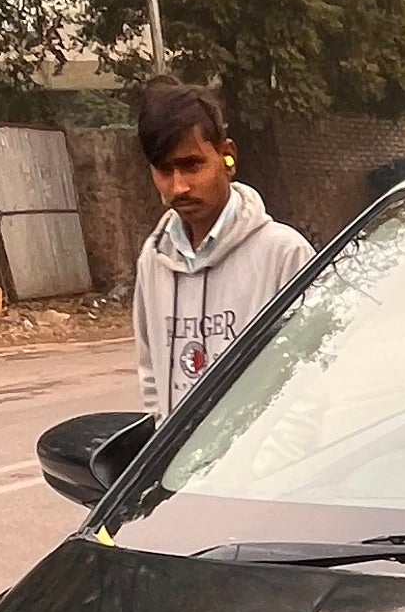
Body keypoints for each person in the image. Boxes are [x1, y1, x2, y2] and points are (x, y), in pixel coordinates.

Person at [130, 81, 312, 417]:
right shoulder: (154, 260)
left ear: (227, 156)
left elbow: (309, 382)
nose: (179, 186)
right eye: (164, 170)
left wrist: (264, 465)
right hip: (181, 469)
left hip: (261, 467)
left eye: (192, 165)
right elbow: (152, 374)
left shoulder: (284, 255)